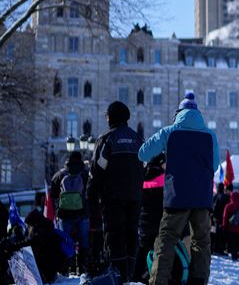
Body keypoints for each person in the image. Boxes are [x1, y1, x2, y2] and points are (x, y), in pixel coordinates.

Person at [138, 91, 220, 285]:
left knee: (166, 239)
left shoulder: (170, 131)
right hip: (202, 198)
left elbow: (143, 154)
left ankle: (159, 280)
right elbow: (215, 165)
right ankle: (198, 281)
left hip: (177, 196)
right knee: (201, 242)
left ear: (178, 114)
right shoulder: (210, 135)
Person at [88, 101, 145, 282]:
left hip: (112, 198)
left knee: (114, 236)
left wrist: (91, 200)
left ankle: (118, 276)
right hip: (135, 198)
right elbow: (144, 168)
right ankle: (130, 275)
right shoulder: (138, 140)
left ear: (111, 117)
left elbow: (96, 172)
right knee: (131, 235)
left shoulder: (107, 139)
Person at [49, 150, 90, 275]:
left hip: (64, 215)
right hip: (83, 214)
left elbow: (53, 195)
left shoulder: (59, 175)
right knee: (84, 242)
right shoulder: (86, 174)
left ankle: (67, 269)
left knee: (66, 242)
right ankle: (83, 269)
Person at [133, 153, 166, 283]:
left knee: (142, 250)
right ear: (161, 162)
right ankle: (151, 276)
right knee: (158, 251)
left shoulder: (143, 175)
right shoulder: (164, 177)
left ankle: (136, 276)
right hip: (159, 219)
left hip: (143, 220)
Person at [222, 188, 239, 261]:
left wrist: (224, 226)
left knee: (233, 242)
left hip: (231, 228)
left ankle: (234, 255)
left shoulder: (228, 206)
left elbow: (225, 217)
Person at [211, 183, 230, 255]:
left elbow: (213, 207)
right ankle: (220, 250)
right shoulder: (226, 197)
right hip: (224, 219)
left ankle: (215, 249)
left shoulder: (215, 196)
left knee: (214, 235)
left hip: (214, 219)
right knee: (221, 235)